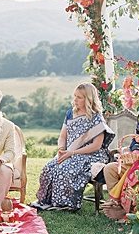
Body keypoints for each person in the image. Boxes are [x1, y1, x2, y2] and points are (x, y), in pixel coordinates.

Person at [31, 82, 115, 211]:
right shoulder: (70, 113)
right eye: (74, 96)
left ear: (88, 99)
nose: (75, 100)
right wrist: (61, 149)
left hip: (91, 155)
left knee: (65, 169)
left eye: (79, 97)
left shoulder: (96, 117)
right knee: (48, 168)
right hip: (70, 152)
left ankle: (66, 203)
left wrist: (72, 153)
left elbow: (96, 146)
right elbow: (62, 136)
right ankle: (47, 200)